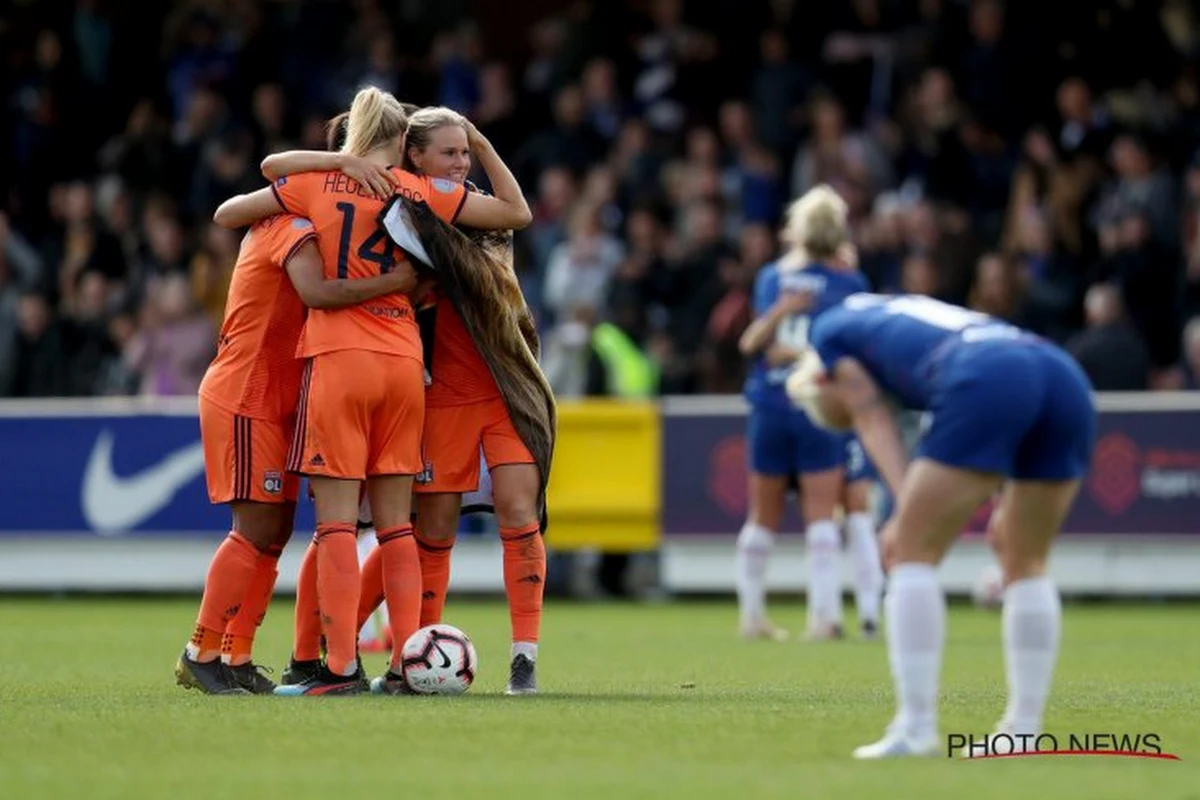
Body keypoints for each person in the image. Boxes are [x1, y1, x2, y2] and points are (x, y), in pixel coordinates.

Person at [213, 87, 530, 696]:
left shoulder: (315, 185)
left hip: (341, 360)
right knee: (396, 528)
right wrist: (483, 144)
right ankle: (409, 667)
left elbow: (236, 205)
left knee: (335, 525)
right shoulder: (422, 193)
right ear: (405, 143)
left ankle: (335, 669)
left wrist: (332, 164)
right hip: (406, 363)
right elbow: (516, 215)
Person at [785, 292, 1096, 758]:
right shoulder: (887, 313)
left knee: (906, 550)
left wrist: (902, 507)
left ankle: (915, 728)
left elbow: (869, 413)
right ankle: (1023, 731)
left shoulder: (828, 334)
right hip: (1059, 371)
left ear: (820, 380)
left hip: (988, 372)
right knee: (1023, 556)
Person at [177, 210, 421, 695]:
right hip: (248, 393)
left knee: (275, 532)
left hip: (281, 401)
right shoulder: (288, 229)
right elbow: (317, 293)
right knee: (255, 528)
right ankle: (199, 652)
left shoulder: (310, 231)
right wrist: (397, 281)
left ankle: (237, 655)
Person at [735, 185, 883, 642]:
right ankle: (825, 617)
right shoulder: (849, 284)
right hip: (817, 405)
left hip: (770, 404)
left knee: (762, 515)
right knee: (822, 516)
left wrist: (785, 346)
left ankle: (752, 616)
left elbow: (756, 345)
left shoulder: (772, 277)